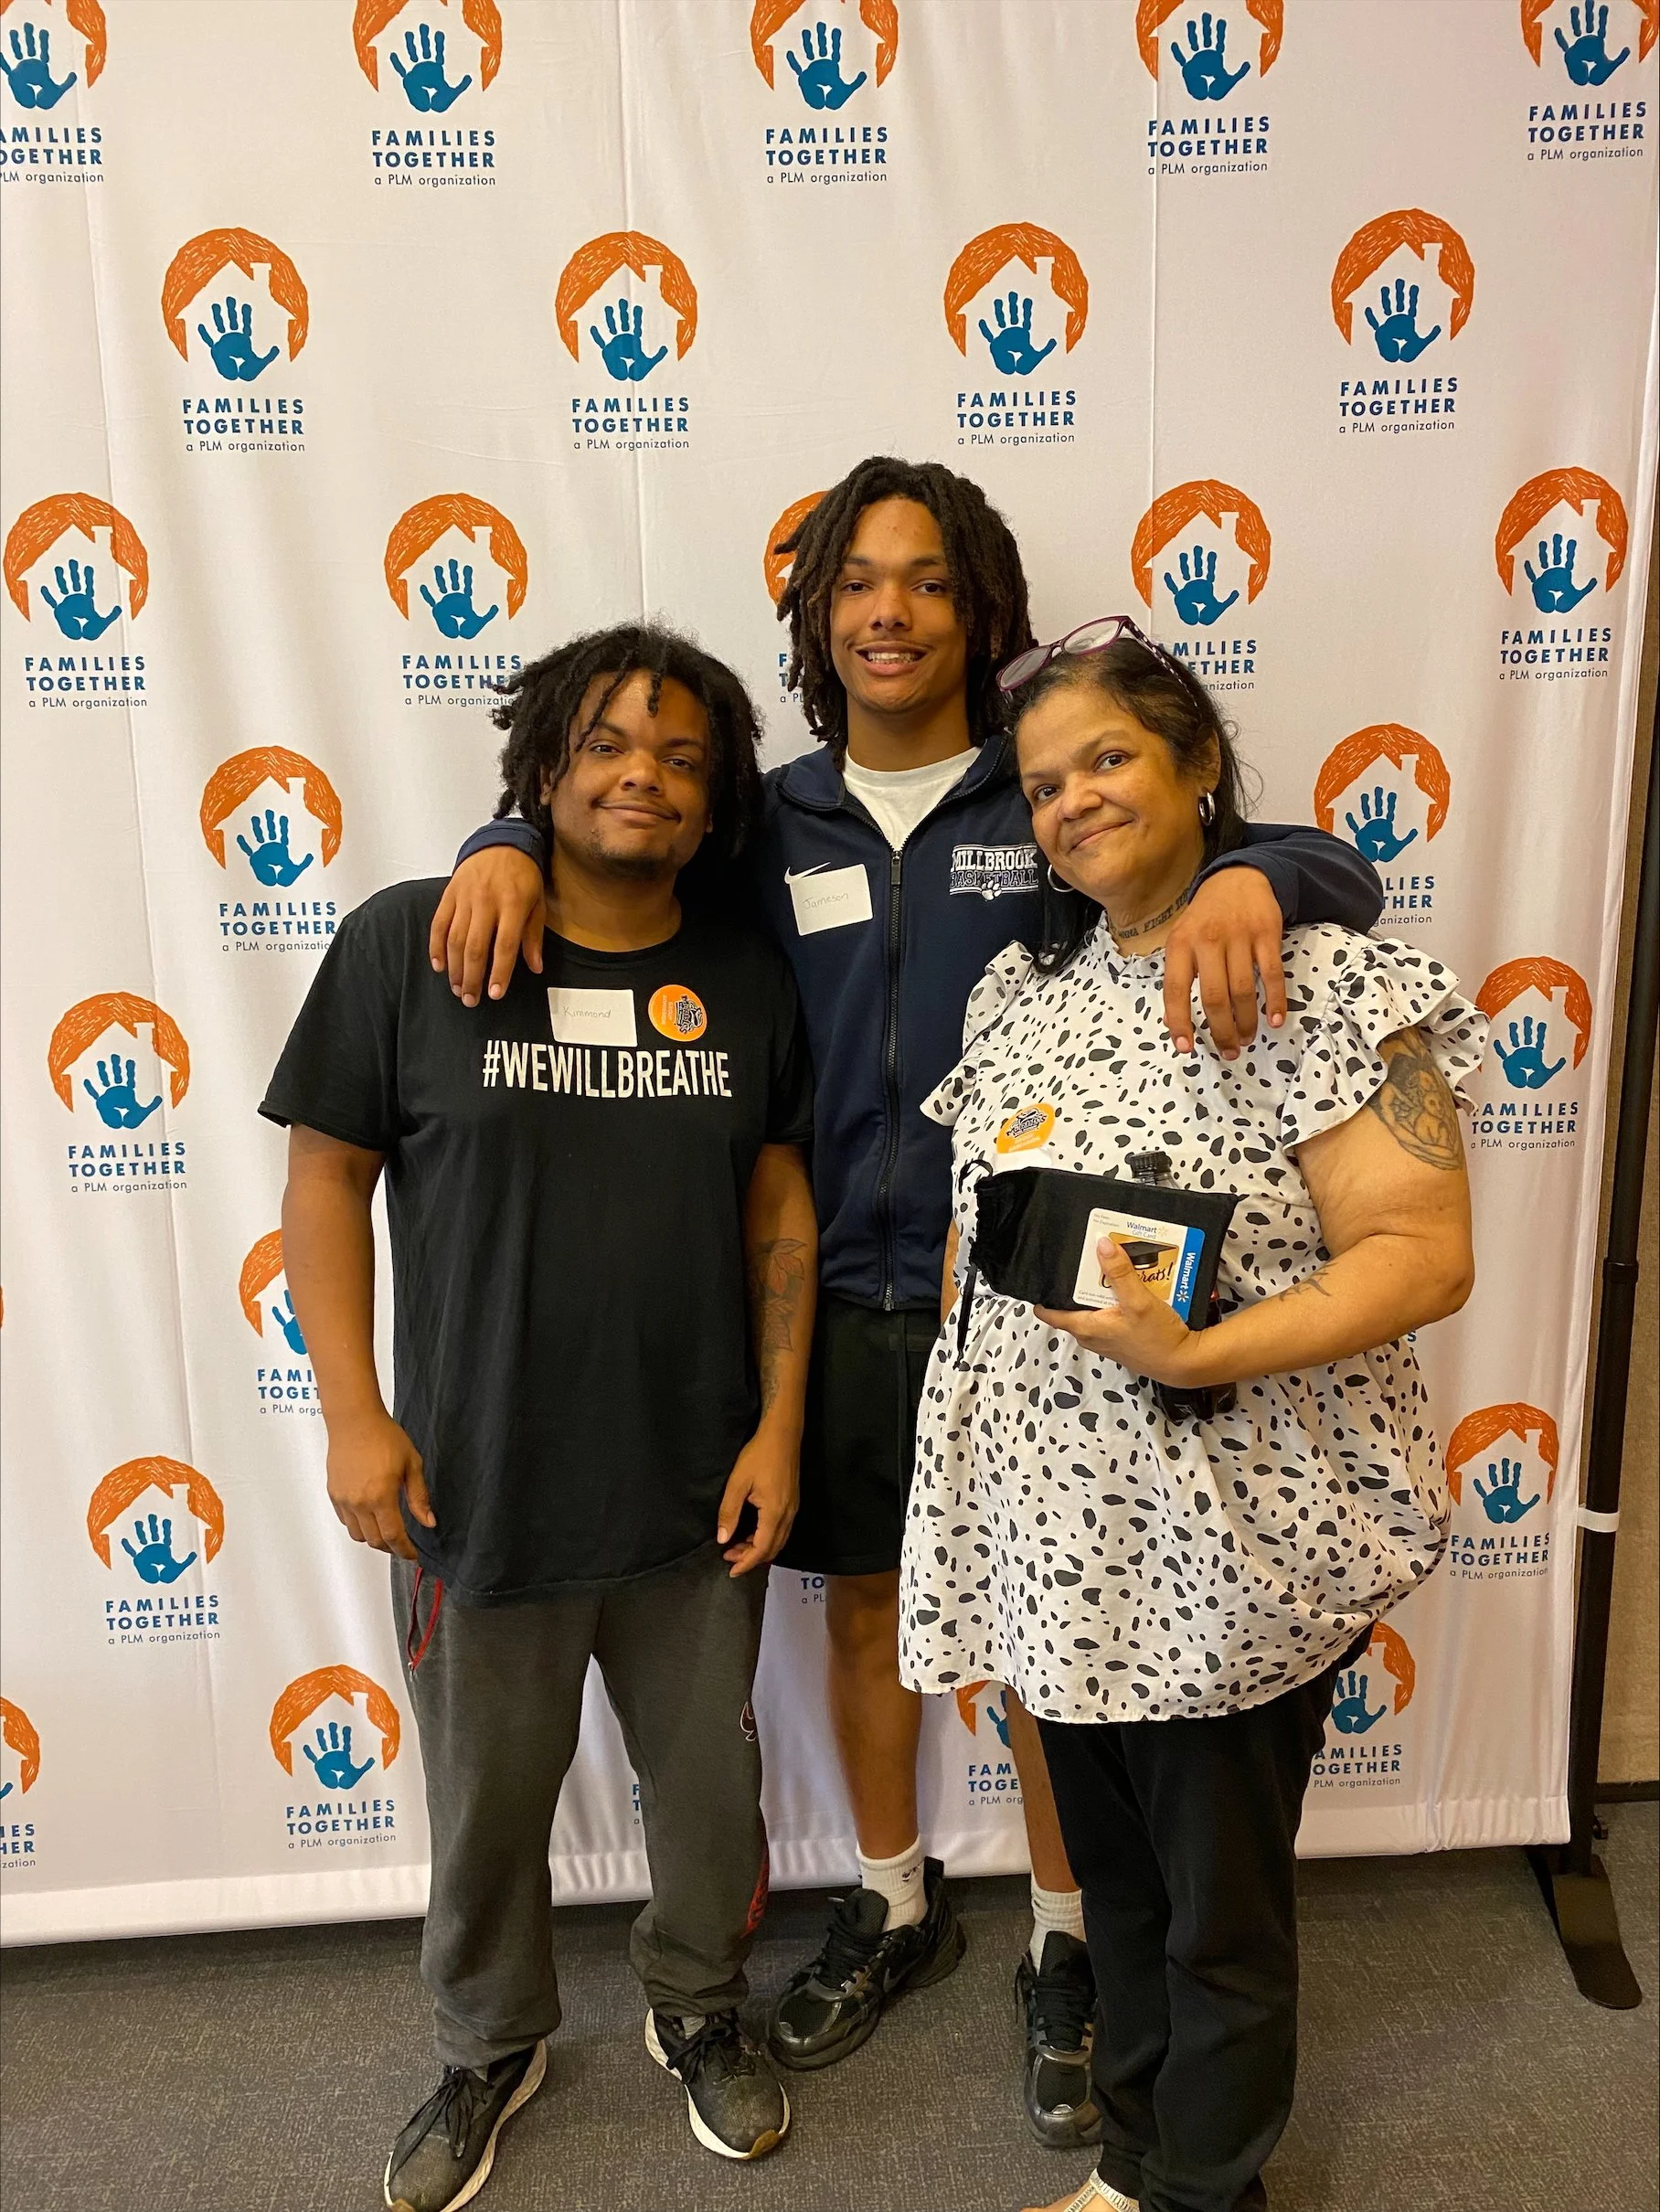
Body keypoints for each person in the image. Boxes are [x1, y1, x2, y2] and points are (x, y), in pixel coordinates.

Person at [426, 457, 1387, 2146]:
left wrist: (1268, 877)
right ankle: (890, 1896)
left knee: (1054, 1648)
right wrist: (502, 831)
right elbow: (609, 851)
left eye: (931, 581)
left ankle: (1072, 1938)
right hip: (830, 1294)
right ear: (816, 612)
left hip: (1035, 1306)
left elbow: (1299, 858)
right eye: (860, 580)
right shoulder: (757, 817)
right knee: (866, 1606)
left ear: (982, 606)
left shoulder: (1048, 796)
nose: (892, 609)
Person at [899, 622, 1482, 2212]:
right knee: (1125, 1903)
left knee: (1214, 1912)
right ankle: (1141, 2164)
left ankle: (1203, 2186)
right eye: (1042, 783)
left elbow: (1424, 1258)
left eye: (1107, 760)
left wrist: (1197, 1358)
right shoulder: (1025, 993)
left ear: (1200, 767)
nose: (1072, 800)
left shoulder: (1316, 968)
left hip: (1222, 1553)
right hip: (1062, 1561)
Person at [261, 624, 818, 2209]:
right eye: (609, 744)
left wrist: (779, 1426)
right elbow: (325, 1180)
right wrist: (353, 1417)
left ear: (716, 805)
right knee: (486, 1803)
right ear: (543, 767)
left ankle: (699, 2008)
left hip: (694, 1483)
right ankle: (488, 2041)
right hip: (473, 1480)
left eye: (686, 756)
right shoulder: (407, 944)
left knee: (708, 1792)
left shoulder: (743, 978)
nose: (646, 774)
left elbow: (781, 1207)